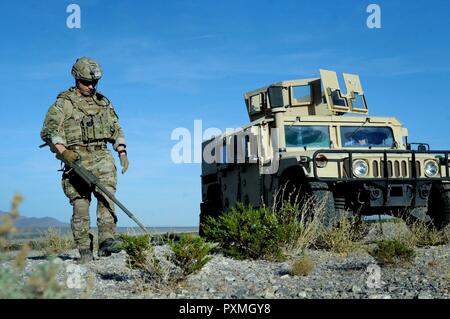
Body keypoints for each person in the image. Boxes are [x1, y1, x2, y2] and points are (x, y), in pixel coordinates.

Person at [40, 57, 129, 263]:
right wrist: (64, 152)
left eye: (94, 83)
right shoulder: (64, 103)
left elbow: (116, 128)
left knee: (107, 199)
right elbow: (49, 131)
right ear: (76, 79)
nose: (91, 86)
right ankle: (84, 250)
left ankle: (107, 242)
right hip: (76, 159)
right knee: (81, 205)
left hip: (102, 157)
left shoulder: (103, 102)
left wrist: (122, 151)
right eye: (86, 82)